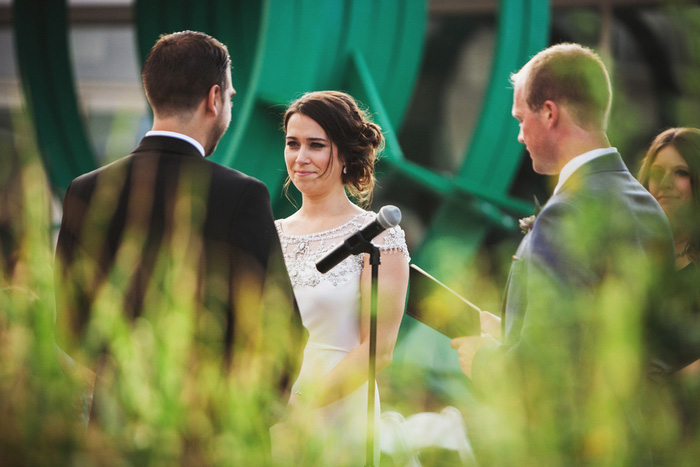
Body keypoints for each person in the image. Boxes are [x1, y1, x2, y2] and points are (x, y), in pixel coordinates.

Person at [54, 31, 301, 429]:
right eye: (232, 99)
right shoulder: (242, 195)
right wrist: (251, 417)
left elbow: (68, 325)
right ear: (214, 98)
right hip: (211, 432)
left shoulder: (85, 191)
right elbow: (281, 328)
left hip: (115, 433)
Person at [450, 43, 674, 463]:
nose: (519, 135)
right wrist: (515, 328)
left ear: (549, 113)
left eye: (521, 119)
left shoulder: (567, 212)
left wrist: (484, 359)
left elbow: (544, 373)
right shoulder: (646, 206)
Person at [270, 91, 409, 465]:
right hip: (268, 410)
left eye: (316, 145)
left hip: (341, 409)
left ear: (345, 153)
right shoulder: (271, 233)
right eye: (292, 144)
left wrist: (301, 403)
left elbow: (379, 349)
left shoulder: (379, 234)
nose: (300, 158)